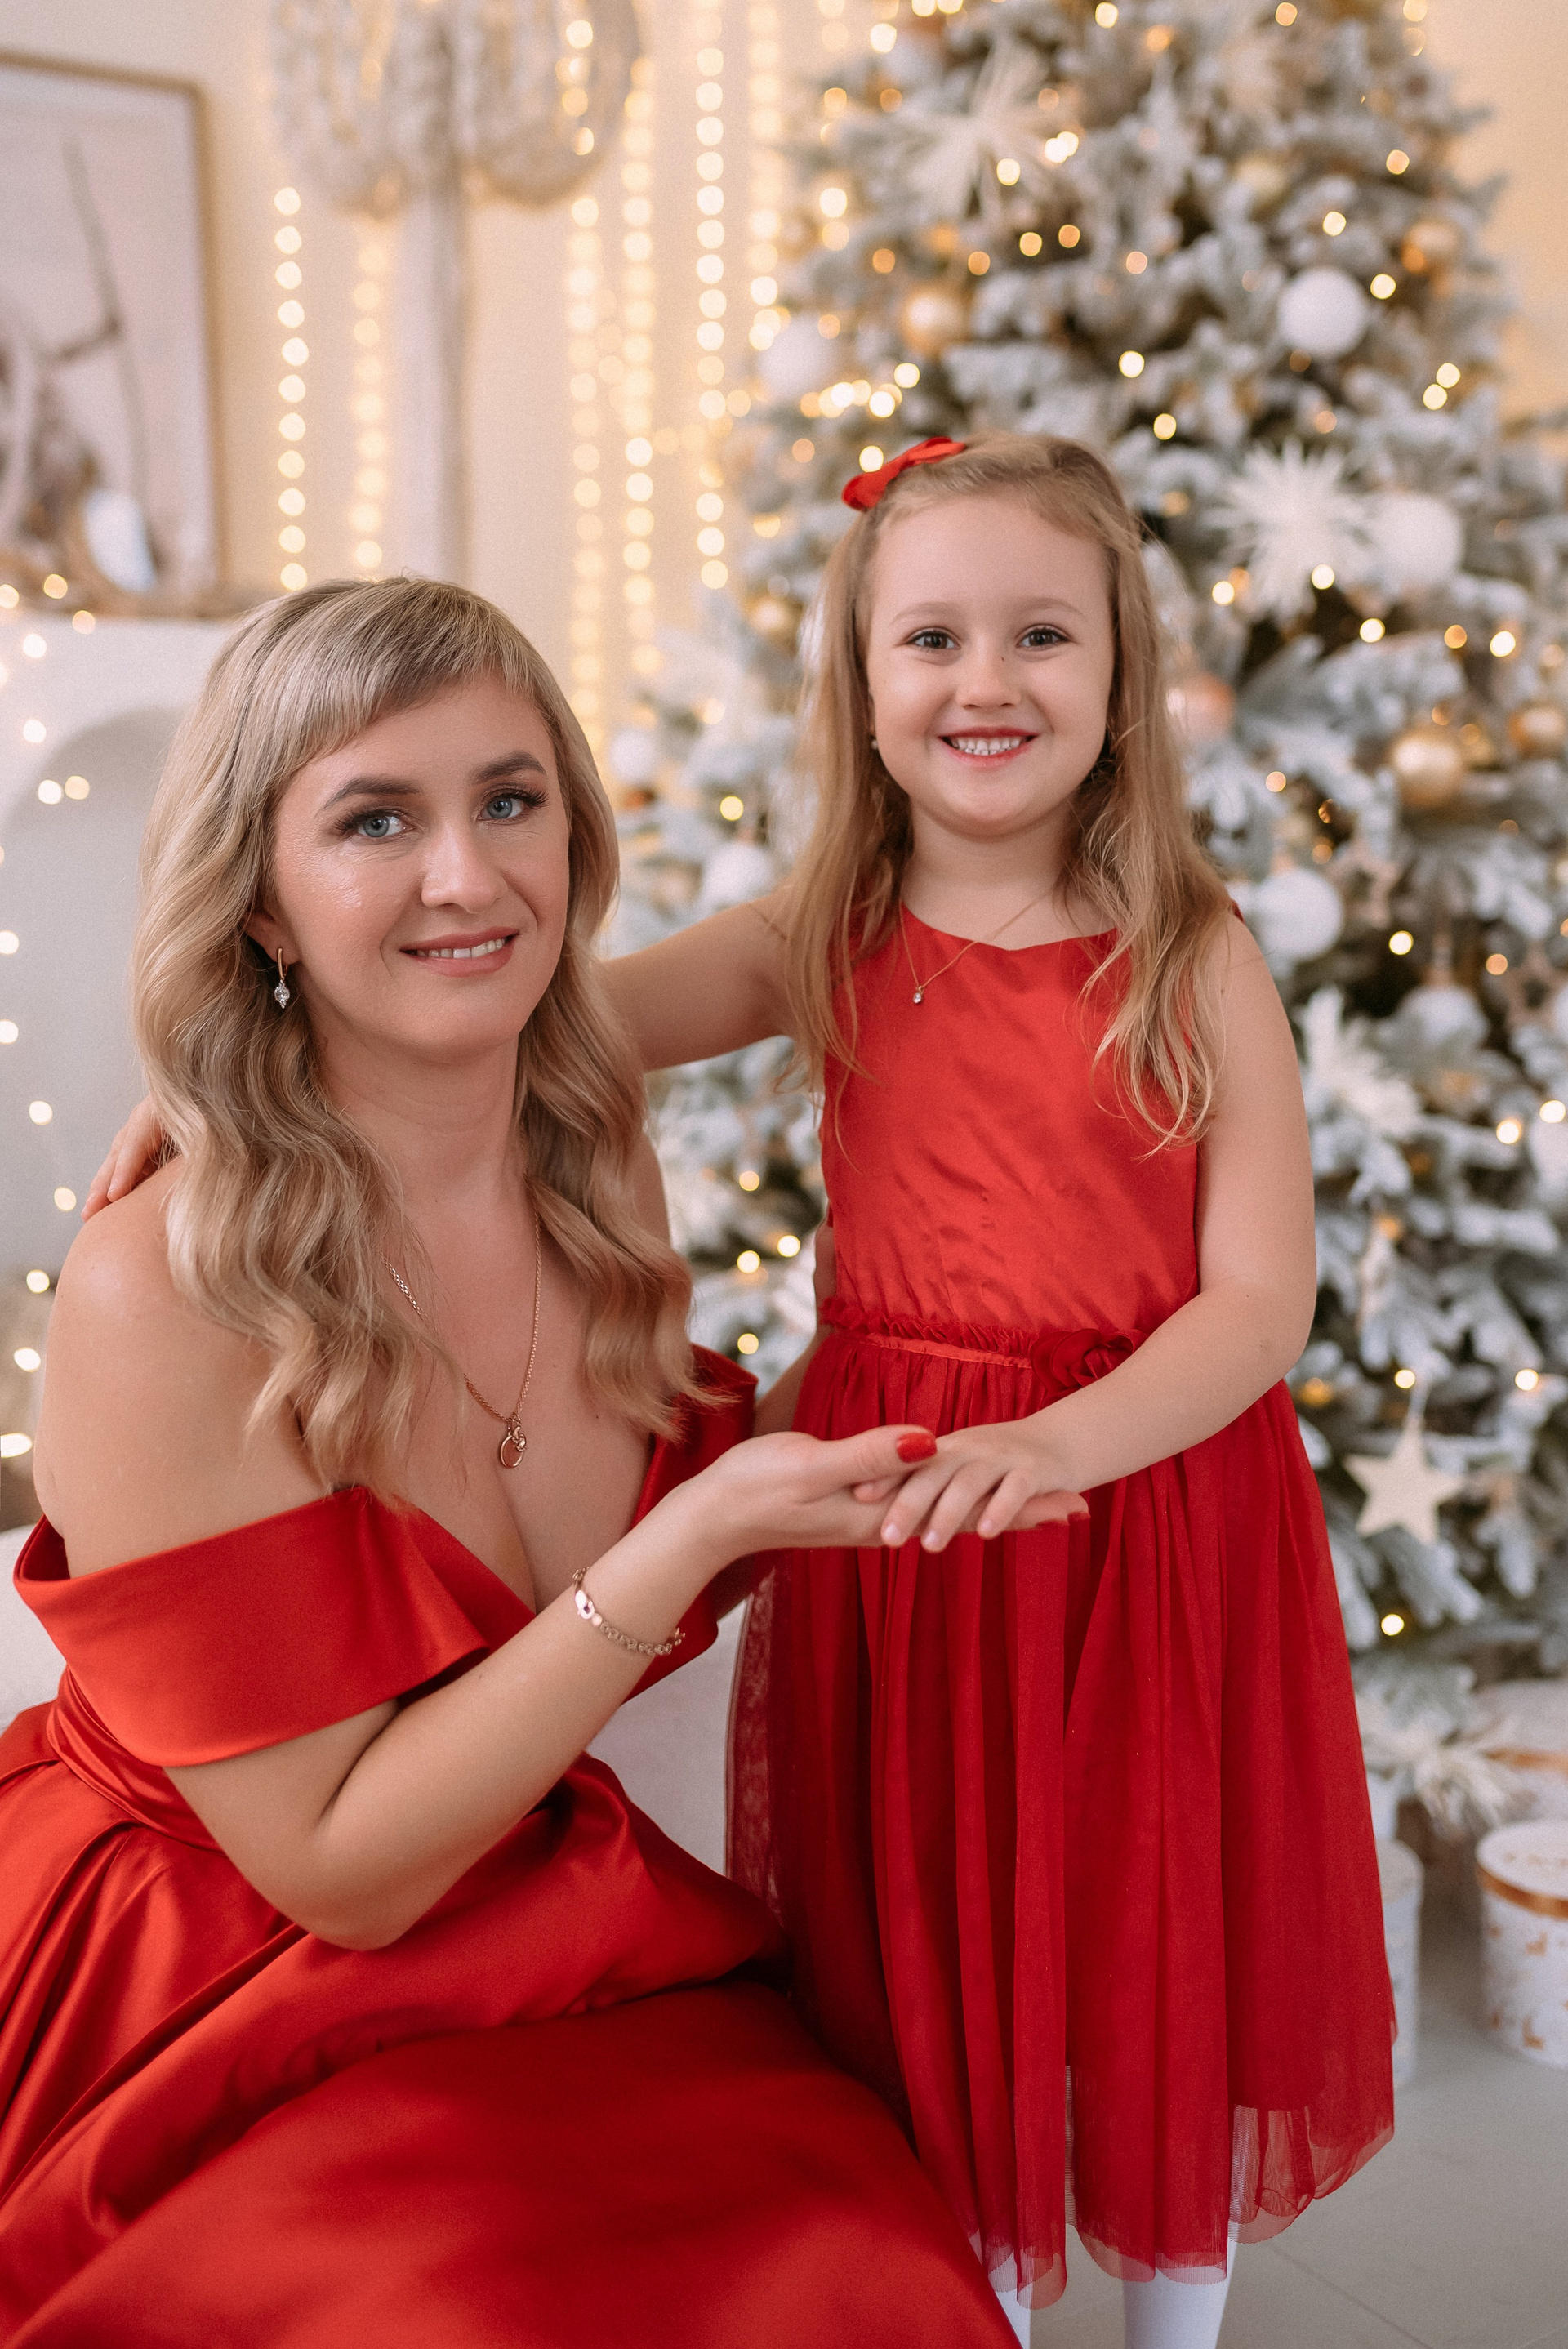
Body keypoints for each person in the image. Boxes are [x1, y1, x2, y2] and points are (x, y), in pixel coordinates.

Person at [87, 435, 1397, 2347]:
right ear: (858, 683)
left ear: (1125, 672)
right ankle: (975, 2283)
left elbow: (1258, 1298)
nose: (987, 682)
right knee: (934, 1925)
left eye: (1044, 635)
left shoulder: (1189, 954)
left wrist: (1062, 1440)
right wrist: (223, 1074)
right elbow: (524, 1013)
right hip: (902, 1521)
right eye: (931, 638)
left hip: (1139, 1513)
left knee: (1148, 1923)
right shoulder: (826, 932)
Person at [0, 578, 1014, 2348]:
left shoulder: (587, 1161)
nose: (466, 875)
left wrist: (977, 1322)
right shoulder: (162, 1286)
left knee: (862, 2254)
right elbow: (340, 1870)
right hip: (210, 1981)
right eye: (375, 821)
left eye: (510, 799)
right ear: (258, 896)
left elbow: (684, 1513)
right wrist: (688, 1542)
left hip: (540, 1906)